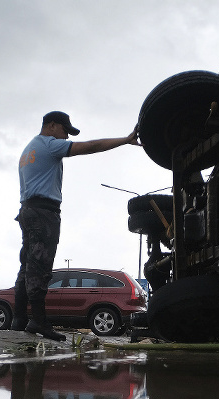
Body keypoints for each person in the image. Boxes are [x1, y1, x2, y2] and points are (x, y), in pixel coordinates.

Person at [13, 111, 140, 341]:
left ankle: (20, 319)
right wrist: (124, 140)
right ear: (51, 125)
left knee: (27, 264)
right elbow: (92, 146)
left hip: (28, 210)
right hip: (43, 213)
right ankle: (38, 321)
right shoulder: (49, 145)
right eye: (65, 131)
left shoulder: (28, 149)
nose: (65, 138)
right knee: (40, 266)